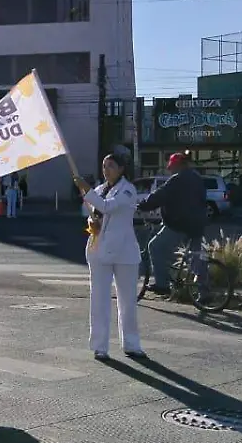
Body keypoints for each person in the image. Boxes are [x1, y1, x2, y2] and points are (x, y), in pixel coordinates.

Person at [73, 154, 145, 361]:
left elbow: (107, 206)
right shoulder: (99, 189)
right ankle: (99, 346)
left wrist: (86, 190)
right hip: (100, 251)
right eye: (104, 166)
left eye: (111, 166)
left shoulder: (128, 190)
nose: (106, 170)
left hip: (124, 252)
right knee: (99, 300)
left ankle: (131, 344)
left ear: (122, 168)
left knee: (127, 301)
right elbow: (93, 213)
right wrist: (93, 224)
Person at [138, 152, 208, 296]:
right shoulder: (197, 178)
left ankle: (162, 285)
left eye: (172, 166)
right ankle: (204, 293)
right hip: (197, 224)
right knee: (196, 257)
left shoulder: (177, 180)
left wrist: (143, 205)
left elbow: (160, 195)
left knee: (155, 246)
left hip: (180, 224)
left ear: (179, 165)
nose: (170, 170)